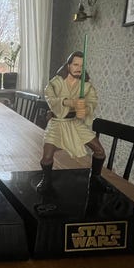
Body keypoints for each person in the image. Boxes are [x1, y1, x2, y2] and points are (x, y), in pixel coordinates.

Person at [36, 51, 107, 192]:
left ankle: (95, 177)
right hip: (57, 122)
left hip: (75, 123)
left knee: (100, 151)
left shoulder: (86, 85)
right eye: (75, 64)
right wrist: (70, 102)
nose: (78, 68)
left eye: (82, 65)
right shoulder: (56, 83)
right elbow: (50, 98)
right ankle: (46, 179)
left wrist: (85, 109)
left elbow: (92, 101)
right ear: (68, 65)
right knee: (47, 157)